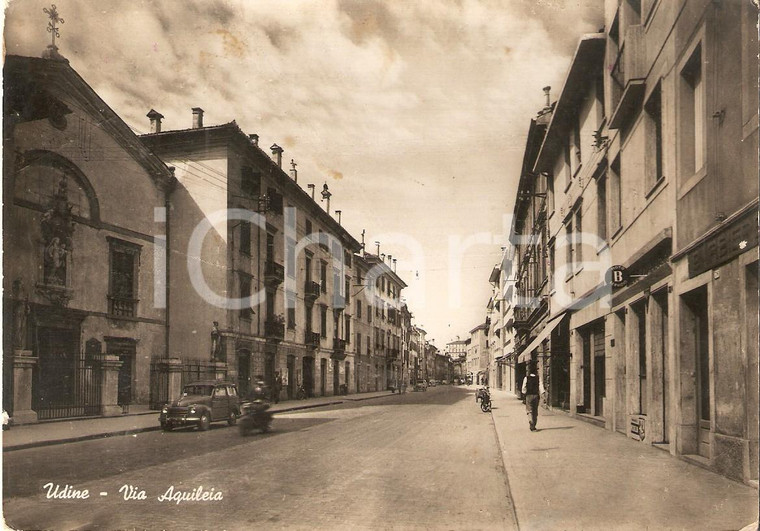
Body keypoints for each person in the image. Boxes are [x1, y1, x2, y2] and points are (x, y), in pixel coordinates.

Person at [521, 362, 546, 431]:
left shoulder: (526, 378)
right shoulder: (538, 378)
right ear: (536, 371)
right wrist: (543, 394)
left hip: (528, 396)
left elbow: (523, 388)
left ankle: (530, 420)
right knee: (535, 411)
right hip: (536, 396)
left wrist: (524, 393)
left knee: (529, 410)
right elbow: (541, 386)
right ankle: (533, 426)